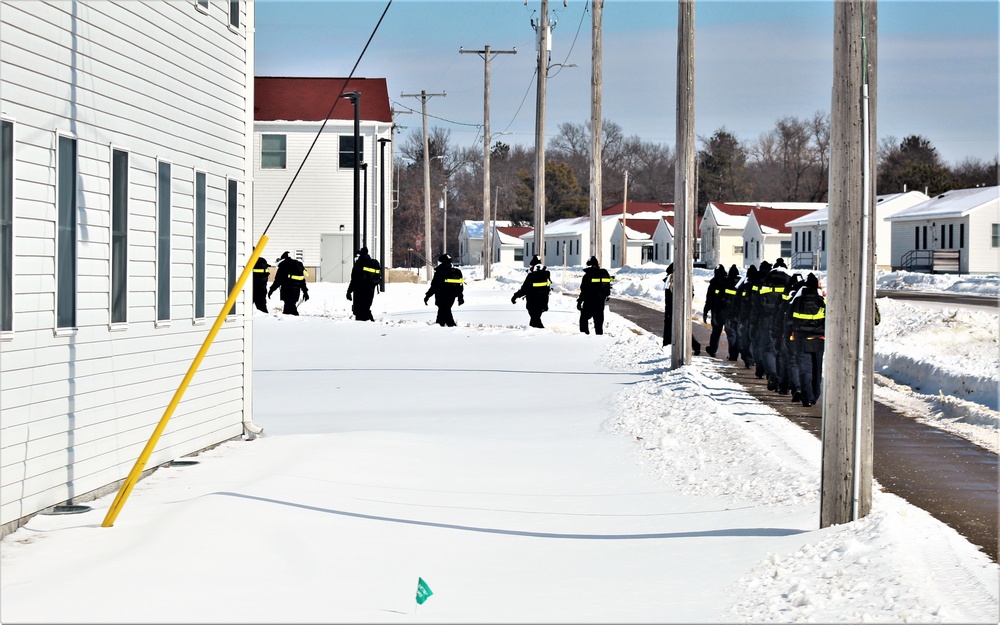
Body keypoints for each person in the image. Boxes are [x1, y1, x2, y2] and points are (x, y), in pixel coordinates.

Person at [788, 272, 826, 408]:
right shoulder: (822, 300)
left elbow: (789, 319)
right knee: (817, 368)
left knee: (805, 369)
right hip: (820, 338)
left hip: (802, 338)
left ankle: (807, 397)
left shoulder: (798, 300)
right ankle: (815, 394)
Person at [662, 262, 701, 355]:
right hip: (671, 309)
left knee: (682, 328)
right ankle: (666, 346)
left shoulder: (682, 281)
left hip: (678, 309)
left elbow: (690, 294)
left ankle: (695, 345)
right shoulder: (669, 281)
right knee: (670, 328)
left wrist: (683, 305)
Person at [423, 253, 464, 327]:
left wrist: (427, 296)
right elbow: (460, 286)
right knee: (442, 312)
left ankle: (452, 326)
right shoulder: (457, 272)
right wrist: (460, 297)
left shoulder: (439, 273)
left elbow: (434, 287)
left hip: (441, 296)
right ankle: (439, 325)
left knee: (445, 311)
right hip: (452, 296)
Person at [511, 255, 551, 328]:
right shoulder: (546, 275)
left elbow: (524, 289)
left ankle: (544, 334)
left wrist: (515, 296)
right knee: (535, 321)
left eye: (531, 266)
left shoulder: (531, 276)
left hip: (533, 303)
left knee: (535, 321)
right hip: (543, 302)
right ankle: (536, 334)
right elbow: (548, 287)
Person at [577, 256, 612, 335]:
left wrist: (579, 301)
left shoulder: (587, 275)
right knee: (598, 323)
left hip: (589, 302)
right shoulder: (603, 273)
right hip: (600, 302)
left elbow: (584, 290)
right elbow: (607, 287)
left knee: (583, 319)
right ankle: (599, 338)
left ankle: (585, 336)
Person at [268, 251, 309, 315]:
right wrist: (305, 292)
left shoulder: (283, 265)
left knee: (289, 307)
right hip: (297, 290)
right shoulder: (297, 265)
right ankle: (289, 320)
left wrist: (271, 290)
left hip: (287, 289)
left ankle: (294, 320)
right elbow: (302, 280)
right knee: (290, 306)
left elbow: (277, 281)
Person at [346, 246, 381, 322]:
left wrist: (349, 292)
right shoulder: (372, 263)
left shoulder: (359, 264)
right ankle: (371, 323)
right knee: (366, 308)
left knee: (360, 311)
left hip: (359, 290)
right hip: (371, 289)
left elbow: (354, 280)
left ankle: (363, 327)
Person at [702, 264, 728, 357]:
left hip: (716, 311)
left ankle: (713, 349)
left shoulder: (714, 283)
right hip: (727, 310)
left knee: (716, 331)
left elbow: (709, 298)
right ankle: (733, 353)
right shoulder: (729, 281)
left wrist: (705, 311)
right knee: (730, 332)